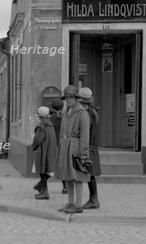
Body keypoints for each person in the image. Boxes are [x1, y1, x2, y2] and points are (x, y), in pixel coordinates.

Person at [55, 85, 91, 214]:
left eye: (71, 97)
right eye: (67, 98)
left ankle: (78, 204)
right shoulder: (66, 112)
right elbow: (61, 132)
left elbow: (85, 135)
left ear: (76, 98)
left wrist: (83, 153)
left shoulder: (82, 113)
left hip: (76, 147)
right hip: (65, 147)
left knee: (77, 177)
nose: (69, 100)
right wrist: (60, 146)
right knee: (67, 176)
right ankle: (70, 202)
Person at [78, 87, 102, 209]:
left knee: (89, 174)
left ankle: (94, 199)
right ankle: (93, 198)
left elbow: (84, 131)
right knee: (89, 174)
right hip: (91, 146)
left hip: (88, 146)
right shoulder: (93, 112)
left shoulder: (87, 114)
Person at [32, 106, 57, 199]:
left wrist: (33, 147)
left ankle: (44, 192)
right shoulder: (50, 125)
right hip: (51, 150)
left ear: (40, 117)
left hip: (43, 151)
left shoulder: (42, 126)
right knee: (47, 171)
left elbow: (37, 140)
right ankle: (41, 187)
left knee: (43, 172)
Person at [49, 99, 67, 194]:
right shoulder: (66, 117)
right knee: (64, 166)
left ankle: (43, 185)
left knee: (54, 166)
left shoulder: (51, 119)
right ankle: (65, 187)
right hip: (65, 144)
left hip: (54, 144)